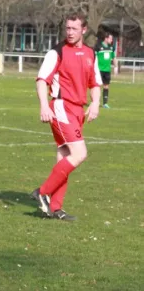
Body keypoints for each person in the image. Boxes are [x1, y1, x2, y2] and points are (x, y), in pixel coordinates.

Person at [31, 12, 102, 221]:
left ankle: (55, 208)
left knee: (65, 157)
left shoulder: (91, 53)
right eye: (67, 28)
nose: (70, 32)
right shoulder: (57, 52)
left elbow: (95, 83)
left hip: (78, 110)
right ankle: (42, 192)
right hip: (61, 107)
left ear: (84, 30)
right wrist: (44, 105)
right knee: (79, 153)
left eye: (74, 28)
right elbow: (41, 80)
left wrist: (96, 102)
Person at [95, 31, 118, 109]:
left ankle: (105, 103)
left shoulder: (111, 48)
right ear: (106, 38)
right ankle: (96, 102)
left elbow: (114, 58)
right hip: (99, 70)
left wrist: (116, 67)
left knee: (106, 86)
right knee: (97, 86)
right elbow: (94, 58)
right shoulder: (98, 46)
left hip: (107, 70)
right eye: (111, 38)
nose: (112, 40)